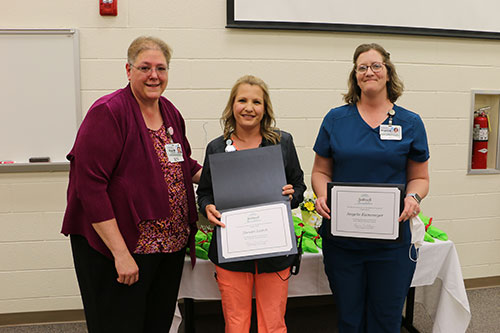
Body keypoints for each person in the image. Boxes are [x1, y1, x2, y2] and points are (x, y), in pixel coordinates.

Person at [61, 36, 202, 333]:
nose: (154, 75)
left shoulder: (169, 111)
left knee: (156, 325)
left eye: (161, 68)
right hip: (123, 248)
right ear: (128, 70)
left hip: (168, 249)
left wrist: (236, 173)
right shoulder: (109, 112)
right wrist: (120, 254)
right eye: (145, 67)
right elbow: (90, 187)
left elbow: (183, 163)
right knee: (119, 325)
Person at [311, 43, 430, 332]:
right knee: (349, 318)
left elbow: (420, 178)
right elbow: (320, 171)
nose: (369, 72)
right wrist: (322, 194)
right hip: (343, 242)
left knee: (386, 320)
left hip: (391, 245)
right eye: (362, 67)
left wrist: (413, 197)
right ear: (355, 75)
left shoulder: (410, 122)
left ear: (388, 72)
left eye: (376, 65)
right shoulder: (335, 119)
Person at [197, 75, 306, 333]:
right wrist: (207, 207)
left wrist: (292, 194)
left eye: (256, 101)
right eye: (242, 100)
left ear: (265, 108)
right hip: (232, 251)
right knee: (236, 324)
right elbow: (204, 194)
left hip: (275, 252)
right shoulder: (216, 148)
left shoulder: (282, 143)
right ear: (232, 105)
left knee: (274, 324)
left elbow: (299, 187)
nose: (249, 107)